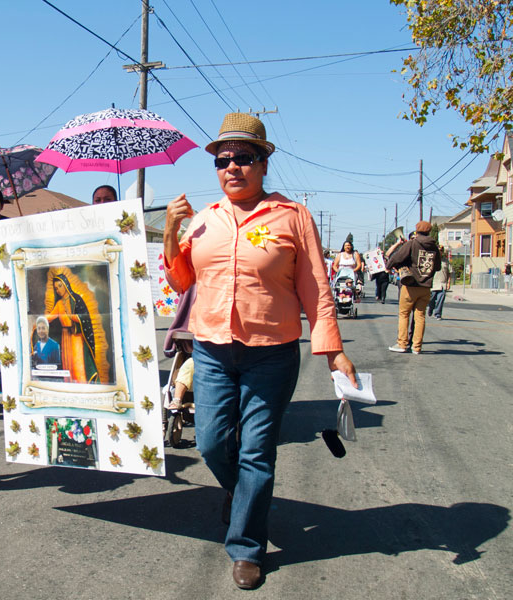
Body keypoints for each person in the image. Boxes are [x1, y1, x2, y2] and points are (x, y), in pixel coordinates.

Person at [163, 112, 357, 590]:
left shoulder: (292, 216)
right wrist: (171, 231)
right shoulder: (204, 221)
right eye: (223, 160)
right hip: (210, 348)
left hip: (271, 352)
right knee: (209, 441)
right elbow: (181, 281)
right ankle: (240, 492)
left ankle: (247, 545)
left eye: (243, 158)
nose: (232, 167)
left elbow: (316, 285)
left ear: (263, 163)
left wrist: (333, 351)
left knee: (256, 451)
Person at [385, 221, 441, 354]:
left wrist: (388, 266)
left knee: (404, 314)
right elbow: (437, 266)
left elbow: (397, 258)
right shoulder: (434, 247)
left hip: (411, 285)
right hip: (426, 286)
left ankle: (402, 344)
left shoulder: (413, 243)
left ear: (417, 230)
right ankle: (417, 347)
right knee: (420, 316)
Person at [45, 269, 108, 384]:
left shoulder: (76, 299)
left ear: (66, 284)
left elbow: (85, 318)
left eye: (60, 286)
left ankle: (82, 386)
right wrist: (39, 321)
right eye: (56, 288)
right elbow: (50, 317)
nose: (58, 290)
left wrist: (71, 316)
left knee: (78, 366)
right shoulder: (59, 304)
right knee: (67, 364)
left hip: (76, 337)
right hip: (65, 337)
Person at [428, 246, 450, 320]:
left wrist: (448, 283)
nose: (440, 251)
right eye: (438, 250)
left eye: (441, 250)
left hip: (442, 284)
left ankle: (438, 314)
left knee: (440, 300)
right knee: (432, 300)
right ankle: (431, 308)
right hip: (433, 283)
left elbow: (449, 272)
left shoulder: (446, 261)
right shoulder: (431, 260)